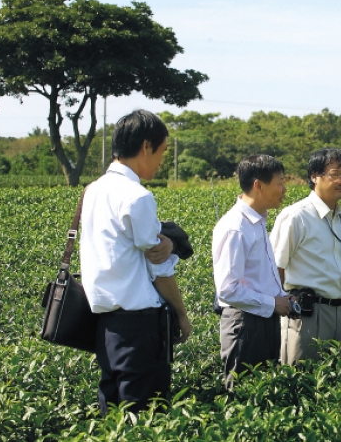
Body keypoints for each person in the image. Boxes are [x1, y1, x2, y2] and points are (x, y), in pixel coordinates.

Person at [80, 109, 191, 414]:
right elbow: (157, 264)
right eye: (162, 151)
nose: (162, 160)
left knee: (113, 418)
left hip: (105, 327)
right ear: (146, 146)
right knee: (145, 417)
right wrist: (181, 314)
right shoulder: (136, 196)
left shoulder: (92, 190)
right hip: (139, 327)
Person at [212, 154, 293, 389]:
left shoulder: (257, 222)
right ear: (258, 186)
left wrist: (280, 297)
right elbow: (227, 290)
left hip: (262, 317)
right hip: (245, 324)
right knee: (245, 398)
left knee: (266, 396)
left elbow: (257, 277)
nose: (284, 189)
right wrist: (271, 302)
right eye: (279, 182)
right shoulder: (235, 227)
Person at [271, 148, 341, 364]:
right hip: (308, 314)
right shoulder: (297, 216)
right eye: (335, 174)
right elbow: (275, 267)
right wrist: (278, 309)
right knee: (303, 383)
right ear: (314, 176)